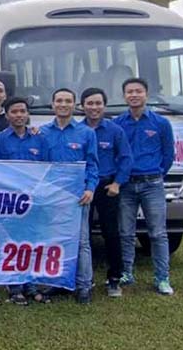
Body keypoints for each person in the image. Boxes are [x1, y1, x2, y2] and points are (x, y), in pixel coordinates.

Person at [113, 77, 176, 296]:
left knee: (157, 233)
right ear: (124, 96)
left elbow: (168, 154)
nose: (134, 95)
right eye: (129, 92)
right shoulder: (118, 123)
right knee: (125, 232)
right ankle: (126, 273)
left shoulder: (161, 123)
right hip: (126, 185)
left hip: (152, 184)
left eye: (138, 91)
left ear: (146, 94)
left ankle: (162, 278)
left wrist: (156, 173)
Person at [40, 88, 99, 304]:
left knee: (81, 242)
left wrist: (90, 188)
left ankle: (84, 286)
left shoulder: (86, 133)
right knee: (54, 240)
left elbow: (93, 165)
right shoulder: (42, 133)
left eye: (67, 101)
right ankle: (58, 282)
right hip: (51, 196)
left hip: (77, 197)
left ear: (74, 105)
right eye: (59, 101)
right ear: (53, 104)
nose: (63, 104)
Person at [0, 96, 50, 305]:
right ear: (7, 115)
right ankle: (15, 286)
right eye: (14, 112)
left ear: (27, 114)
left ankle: (31, 285)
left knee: (32, 241)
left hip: (34, 198)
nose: (19, 115)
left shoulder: (39, 138)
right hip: (10, 200)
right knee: (12, 243)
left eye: (22, 111)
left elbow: (47, 167)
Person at [81, 87, 133, 298]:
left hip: (106, 187)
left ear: (104, 106)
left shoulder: (114, 131)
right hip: (83, 189)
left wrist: (117, 184)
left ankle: (114, 278)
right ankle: (83, 277)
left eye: (98, 103)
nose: (94, 107)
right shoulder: (77, 130)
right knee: (82, 235)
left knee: (111, 233)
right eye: (90, 103)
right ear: (82, 106)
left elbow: (126, 159)